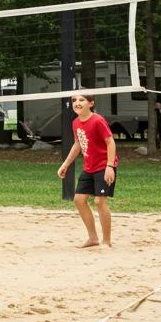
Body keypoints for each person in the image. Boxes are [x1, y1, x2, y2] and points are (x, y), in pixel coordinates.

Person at [57, 92, 117, 248]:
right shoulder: (76, 122)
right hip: (89, 167)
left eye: (81, 100)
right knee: (79, 200)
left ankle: (107, 241)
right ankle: (93, 238)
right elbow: (77, 144)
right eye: (74, 100)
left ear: (91, 103)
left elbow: (110, 142)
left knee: (99, 201)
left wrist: (110, 166)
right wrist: (65, 165)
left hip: (104, 166)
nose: (77, 102)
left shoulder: (97, 120)